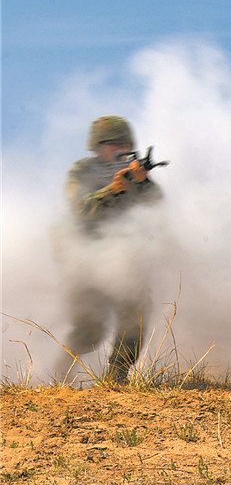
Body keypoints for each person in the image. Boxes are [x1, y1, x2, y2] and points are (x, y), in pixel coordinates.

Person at [60, 116, 163, 384]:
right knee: (89, 331)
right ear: (97, 147)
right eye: (114, 143)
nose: (121, 148)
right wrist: (112, 189)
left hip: (124, 259)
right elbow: (79, 210)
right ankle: (58, 377)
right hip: (85, 258)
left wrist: (142, 182)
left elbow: (159, 206)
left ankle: (115, 379)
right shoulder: (82, 172)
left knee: (136, 315)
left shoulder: (134, 172)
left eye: (125, 143)